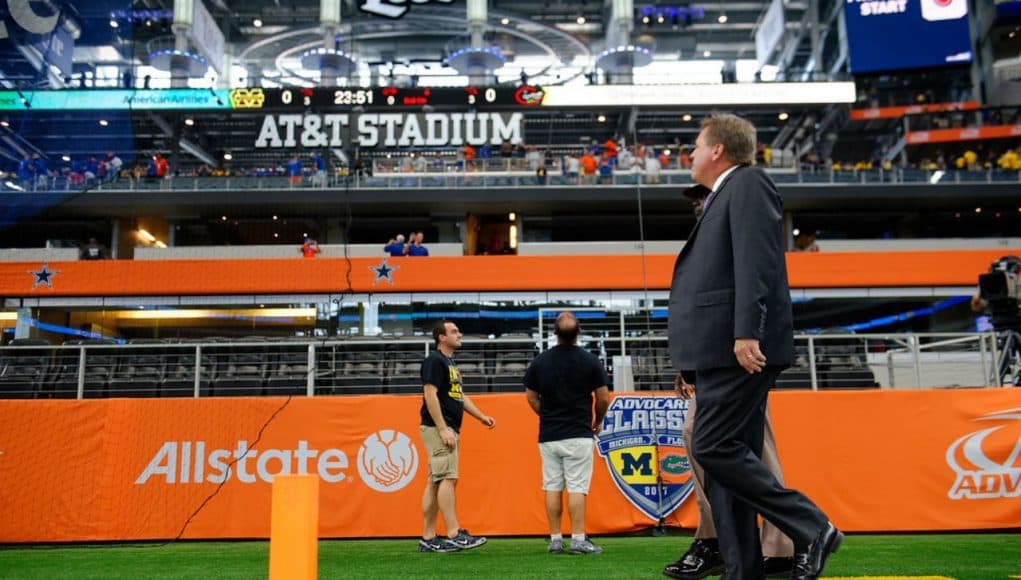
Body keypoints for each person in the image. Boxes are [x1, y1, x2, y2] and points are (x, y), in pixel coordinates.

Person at [666, 114, 841, 580]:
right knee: (724, 465)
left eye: (697, 147)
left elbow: (756, 263)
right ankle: (742, 570)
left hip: (736, 349)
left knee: (711, 445)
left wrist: (748, 332)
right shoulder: (726, 192)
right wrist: (691, 361)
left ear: (718, 150)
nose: (691, 155)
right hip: (715, 353)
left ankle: (812, 525)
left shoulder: (747, 183)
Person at [524, 312, 609, 555]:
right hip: (578, 433)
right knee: (576, 487)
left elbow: (531, 397)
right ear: (579, 332)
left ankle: (555, 539)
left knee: (552, 486)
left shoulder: (540, 362)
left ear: (554, 333)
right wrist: (598, 419)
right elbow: (603, 397)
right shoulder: (590, 361)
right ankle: (579, 539)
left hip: (549, 434)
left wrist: (546, 415)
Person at [418, 320, 495, 553]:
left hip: (444, 428)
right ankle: (454, 534)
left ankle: (428, 538)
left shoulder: (449, 363)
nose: (459, 334)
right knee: (448, 479)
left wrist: (481, 417)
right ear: (441, 337)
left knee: (435, 482)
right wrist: (442, 428)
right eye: (453, 331)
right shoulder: (435, 361)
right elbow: (429, 394)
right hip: (439, 428)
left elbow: (459, 396)